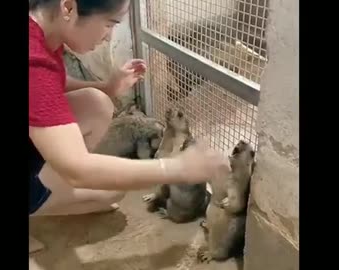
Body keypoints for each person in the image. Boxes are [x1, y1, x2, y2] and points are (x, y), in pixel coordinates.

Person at [29, 0, 229, 219]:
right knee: (110, 193)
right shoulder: (33, 59)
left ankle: (52, 182)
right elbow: (77, 169)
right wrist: (178, 168)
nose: (109, 37)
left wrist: (107, 88)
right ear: (68, 7)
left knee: (97, 103)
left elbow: (51, 82)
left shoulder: (43, 28)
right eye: (109, 24)